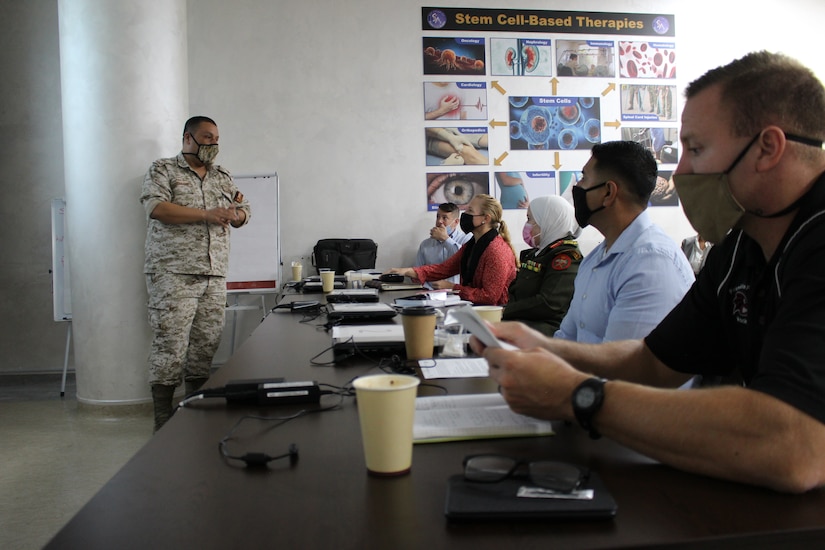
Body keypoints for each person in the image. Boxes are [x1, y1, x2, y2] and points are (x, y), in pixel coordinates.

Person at [472, 51, 825, 493]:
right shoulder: (739, 247)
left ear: (768, 148)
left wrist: (578, 396)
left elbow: (796, 446)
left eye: (696, 149)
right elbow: (654, 361)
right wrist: (546, 349)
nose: (681, 173)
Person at [140, 116, 250, 433]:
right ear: (188, 138)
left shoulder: (223, 176)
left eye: (216, 138)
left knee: (205, 346)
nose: (213, 143)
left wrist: (238, 214)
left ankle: (194, 414)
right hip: (173, 273)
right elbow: (156, 208)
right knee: (170, 348)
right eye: (206, 137)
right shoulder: (163, 170)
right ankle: (163, 421)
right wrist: (206, 214)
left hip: (214, 274)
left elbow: (246, 209)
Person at [556, 140, 694, 343]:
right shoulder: (595, 259)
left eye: (584, 177)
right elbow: (567, 337)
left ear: (608, 192)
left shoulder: (650, 263)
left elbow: (623, 367)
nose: (577, 187)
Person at [389, 194, 517, 305]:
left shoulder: (496, 251)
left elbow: (490, 296)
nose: (465, 215)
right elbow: (444, 269)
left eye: (470, 211)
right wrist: (405, 271)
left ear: (486, 219)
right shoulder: (473, 244)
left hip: (494, 316)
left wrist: (452, 287)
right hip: (474, 310)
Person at [502, 196, 582, 335]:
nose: (527, 225)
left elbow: (549, 303)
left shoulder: (565, 257)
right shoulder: (537, 253)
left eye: (530, 219)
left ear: (547, 222)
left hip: (546, 332)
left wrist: (504, 312)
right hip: (521, 323)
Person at [415, 202, 472, 286]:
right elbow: (418, 274)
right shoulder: (425, 245)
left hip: (457, 294)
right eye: (438, 216)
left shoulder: (467, 239)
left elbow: (464, 259)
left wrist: (446, 239)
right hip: (430, 294)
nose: (439, 221)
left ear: (456, 222)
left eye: (444, 218)